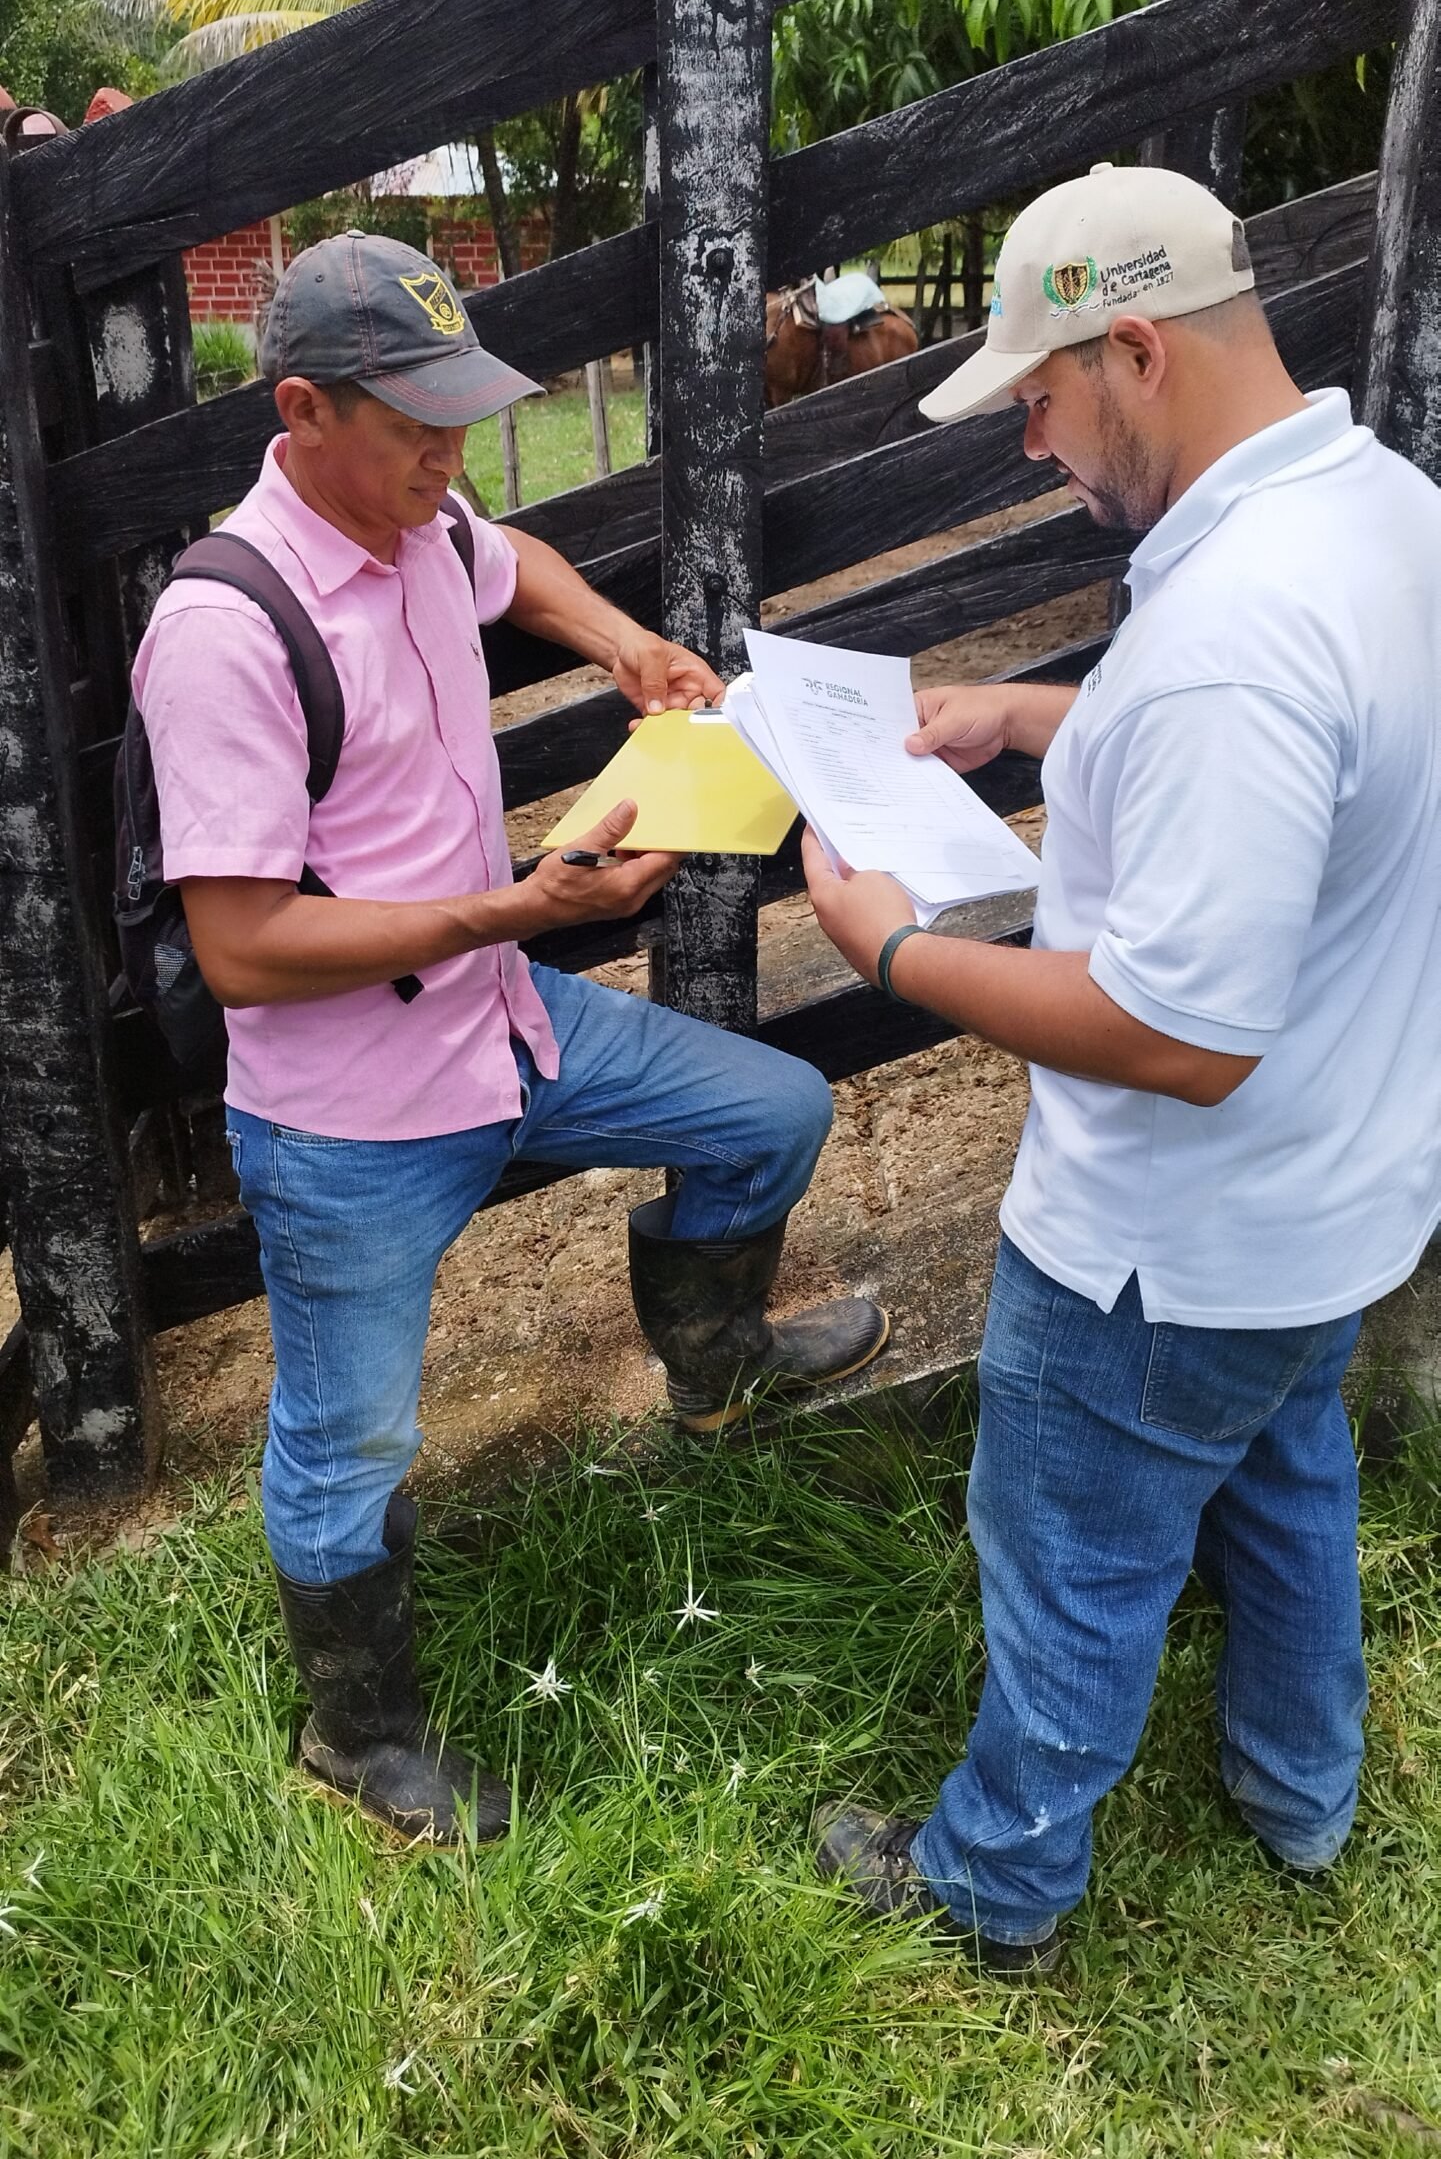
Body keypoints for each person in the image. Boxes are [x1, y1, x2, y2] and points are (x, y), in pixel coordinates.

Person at [132, 230, 889, 1843]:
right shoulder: (226, 628)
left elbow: (511, 555)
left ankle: (714, 1370)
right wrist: (514, 910)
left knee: (769, 1113)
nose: (452, 458)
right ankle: (359, 1735)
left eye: (461, 419)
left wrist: (621, 645)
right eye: (418, 424)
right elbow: (242, 950)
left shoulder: (415, 518)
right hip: (347, 1112)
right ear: (301, 412)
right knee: (348, 1440)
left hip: (505, 1028)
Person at [806, 163, 1441, 1971]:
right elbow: (1296, 761)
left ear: (1136, 350)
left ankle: (993, 1886)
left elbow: (1179, 1034)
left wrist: (894, 952)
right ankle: (1299, 1791)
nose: (1031, 443)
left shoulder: (1233, 633)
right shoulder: (1379, 506)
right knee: (1283, 1478)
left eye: (1038, 396)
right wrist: (1034, 717)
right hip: (1338, 1202)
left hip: (1162, 1250)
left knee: (1069, 1560)